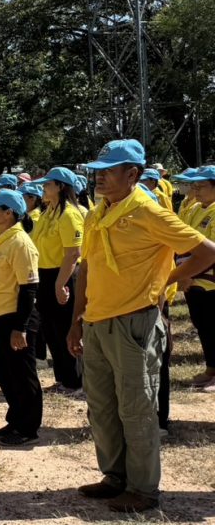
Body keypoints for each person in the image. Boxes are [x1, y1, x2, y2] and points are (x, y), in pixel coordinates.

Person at [67, 140, 215, 513]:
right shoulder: (96, 214)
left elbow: (207, 252)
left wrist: (166, 280)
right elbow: (87, 268)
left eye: (109, 171)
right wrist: (76, 321)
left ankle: (143, 489)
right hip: (96, 321)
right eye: (98, 171)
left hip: (134, 323)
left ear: (132, 174)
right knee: (101, 407)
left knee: (136, 408)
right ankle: (114, 477)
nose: (100, 178)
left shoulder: (150, 213)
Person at [0, 190, 43, 446]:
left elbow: (29, 288)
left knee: (22, 375)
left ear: (8, 213)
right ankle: (16, 419)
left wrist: (21, 327)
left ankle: (28, 427)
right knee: (5, 373)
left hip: (15, 318)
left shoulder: (20, 243)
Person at [28, 166, 85, 396]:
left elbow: (73, 253)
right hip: (46, 275)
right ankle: (63, 378)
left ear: (60, 187)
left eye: (47, 184)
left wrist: (60, 283)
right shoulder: (48, 212)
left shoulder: (69, 214)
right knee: (51, 330)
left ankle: (75, 380)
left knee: (64, 329)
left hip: (62, 275)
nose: (43, 188)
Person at [175, 166, 215, 391]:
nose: (196, 190)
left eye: (201, 186)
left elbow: (211, 252)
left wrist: (187, 273)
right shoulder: (197, 208)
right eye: (195, 185)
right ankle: (211, 369)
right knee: (204, 326)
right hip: (194, 279)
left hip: (209, 281)